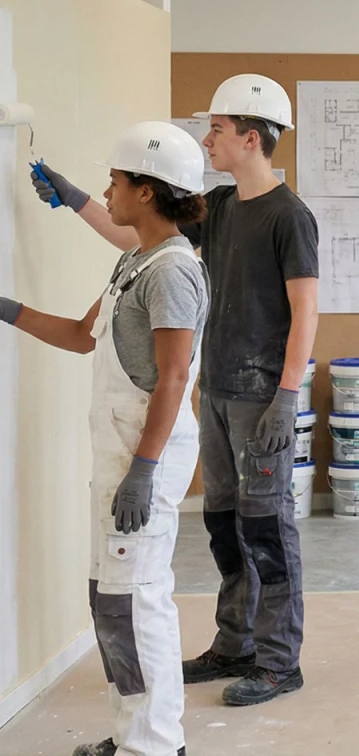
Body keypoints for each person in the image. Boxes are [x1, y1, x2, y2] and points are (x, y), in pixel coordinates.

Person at [32, 73, 319, 706]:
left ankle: (278, 661)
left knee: (267, 528)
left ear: (251, 137)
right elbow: (138, 233)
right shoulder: (219, 206)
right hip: (214, 390)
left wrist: (287, 395)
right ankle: (235, 642)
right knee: (224, 525)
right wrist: (73, 196)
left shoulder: (289, 216)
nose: (207, 139)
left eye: (217, 129)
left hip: (261, 397)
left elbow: (306, 310)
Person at [9, 121, 209, 756]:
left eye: (115, 181)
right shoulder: (134, 262)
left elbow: (174, 378)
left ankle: (156, 745)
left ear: (146, 191)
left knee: (138, 602)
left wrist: (144, 470)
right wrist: (6, 309)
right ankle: (134, 735)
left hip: (143, 457)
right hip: (123, 454)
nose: (107, 191)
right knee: (111, 599)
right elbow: (79, 335)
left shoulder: (171, 272)